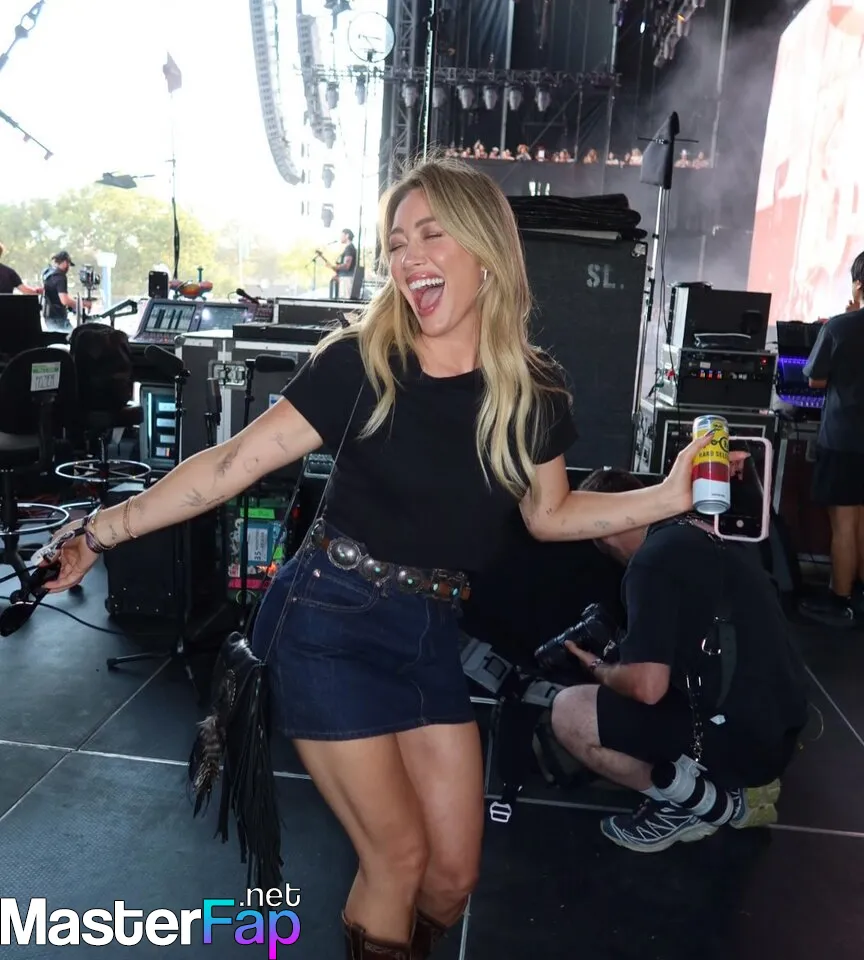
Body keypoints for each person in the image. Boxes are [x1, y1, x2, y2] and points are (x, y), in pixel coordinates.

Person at [42, 157, 713, 959]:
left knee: (451, 878)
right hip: (328, 619)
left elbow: (551, 514)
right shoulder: (363, 362)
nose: (409, 257)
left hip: (430, 630)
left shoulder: (531, 390)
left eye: (432, 234)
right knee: (396, 859)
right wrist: (99, 531)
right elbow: (228, 466)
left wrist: (669, 495)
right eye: (397, 242)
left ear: (487, 249)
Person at [550, 467, 809, 854]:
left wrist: (598, 669)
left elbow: (648, 688)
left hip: (742, 744)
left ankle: (695, 804)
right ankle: (727, 784)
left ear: (601, 530)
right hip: (779, 737)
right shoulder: (706, 533)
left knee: (570, 711)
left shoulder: (649, 563)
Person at [799, 251, 864, 626]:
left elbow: (815, 379)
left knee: (844, 523)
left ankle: (840, 601)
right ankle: (861, 596)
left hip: (844, 439)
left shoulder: (840, 328)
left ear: (858, 285)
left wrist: (850, 315)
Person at [42, 251, 77, 331]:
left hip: (49, 317)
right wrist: (81, 304)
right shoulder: (60, 276)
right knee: (73, 335)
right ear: (65, 262)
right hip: (58, 318)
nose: (68, 267)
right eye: (68, 264)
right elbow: (64, 300)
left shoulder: (48, 273)